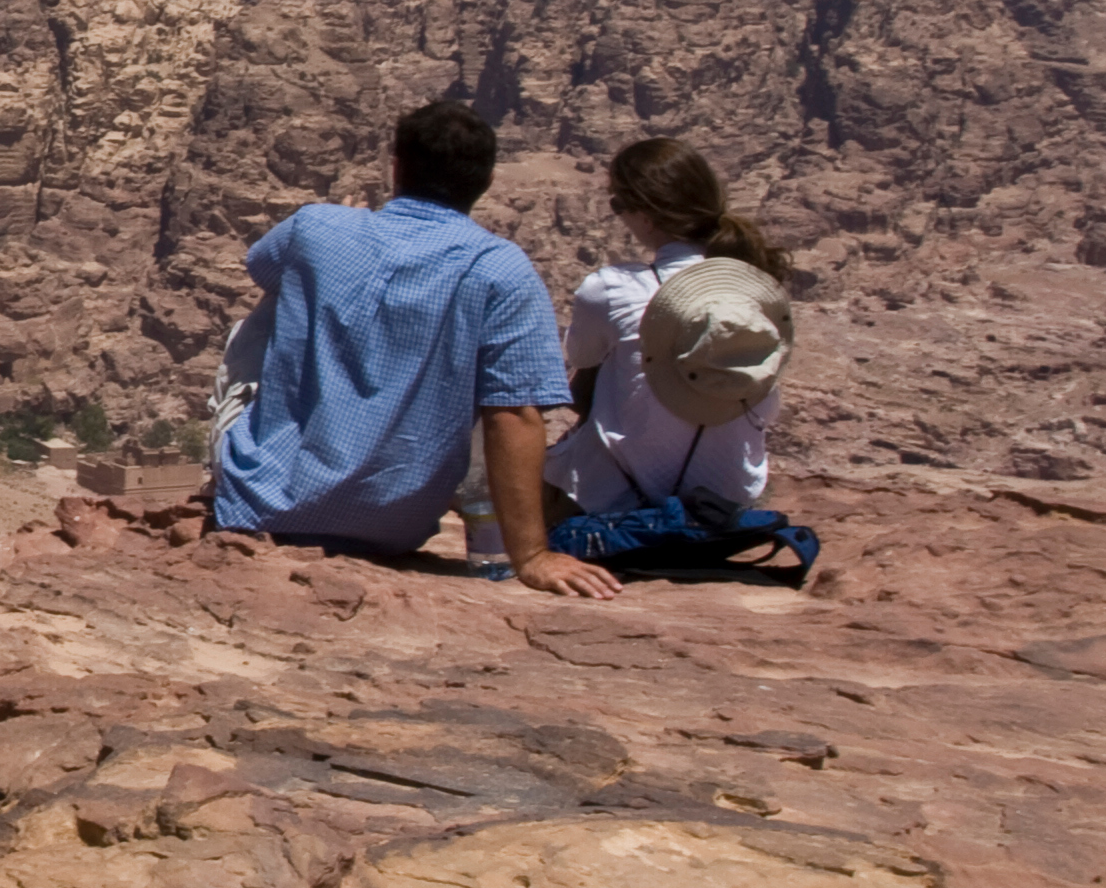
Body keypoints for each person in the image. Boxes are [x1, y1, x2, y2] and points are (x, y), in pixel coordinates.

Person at [210, 98, 617, 598]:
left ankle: (251, 462)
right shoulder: (502, 269)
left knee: (266, 313)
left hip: (263, 502)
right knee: (493, 379)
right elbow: (514, 414)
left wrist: (339, 253)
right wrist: (530, 554)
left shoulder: (315, 226)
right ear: (485, 182)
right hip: (394, 523)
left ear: (396, 166)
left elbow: (259, 268)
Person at [547, 138, 792, 527]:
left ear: (646, 214)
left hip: (616, 503)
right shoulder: (759, 293)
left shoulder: (611, 288)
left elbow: (580, 374)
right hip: (727, 507)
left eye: (618, 205)